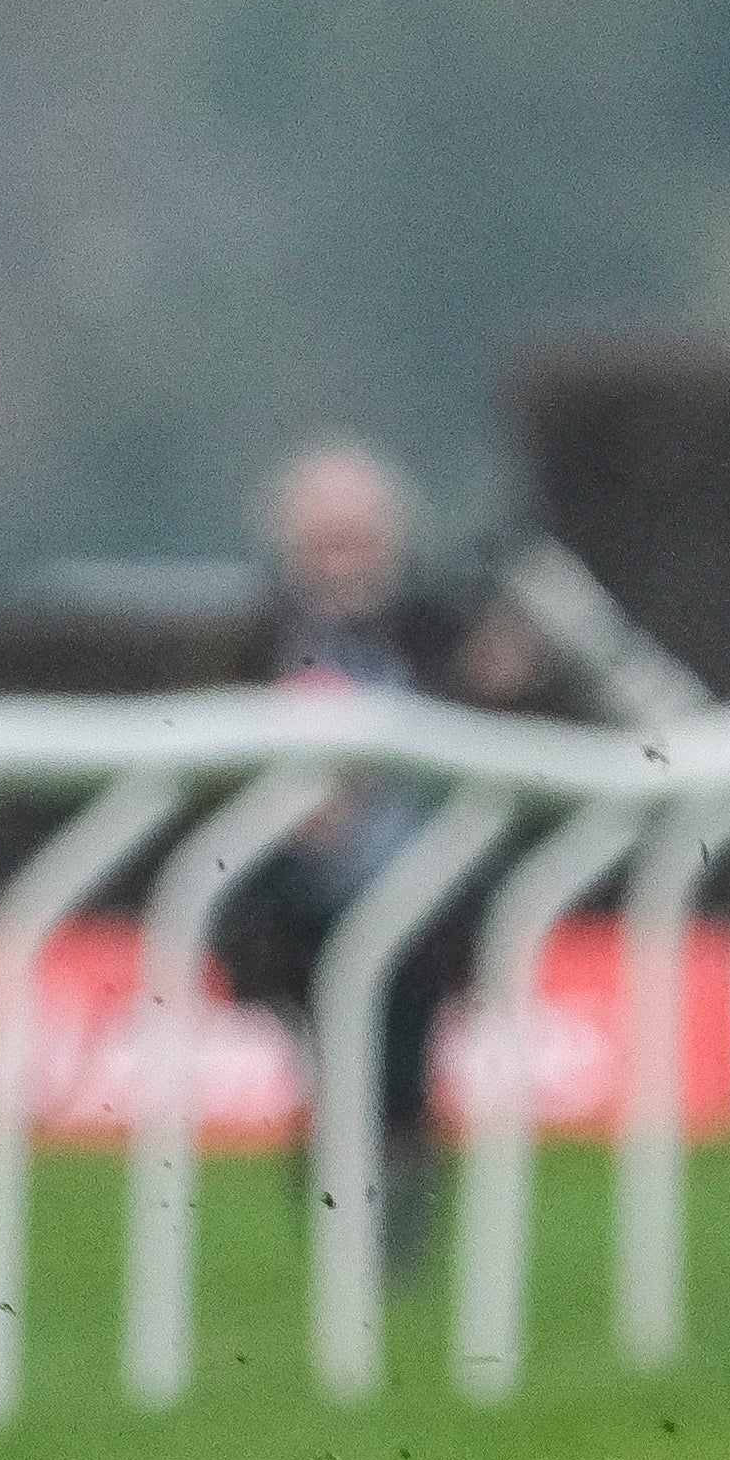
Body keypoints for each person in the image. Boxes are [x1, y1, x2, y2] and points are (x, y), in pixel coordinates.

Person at [205, 440, 549, 1270]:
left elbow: (516, 723)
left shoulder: (445, 625)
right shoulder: (255, 634)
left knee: (401, 1056)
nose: (343, 561)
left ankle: (395, 1234)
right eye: (326, 542)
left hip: (425, 893)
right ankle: (343, 1217)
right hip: (300, 902)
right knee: (330, 1059)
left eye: (356, 540)